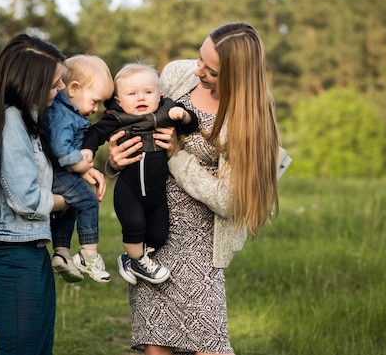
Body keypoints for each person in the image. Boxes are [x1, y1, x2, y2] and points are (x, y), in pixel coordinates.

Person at [106, 23, 291, 354]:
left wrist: (176, 156)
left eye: (212, 70)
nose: (199, 70)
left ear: (237, 77)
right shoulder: (178, 74)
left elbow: (229, 200)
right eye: (200, 58)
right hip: (153, 229)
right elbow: (132, 118)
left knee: (209, 345)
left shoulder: (250, 119)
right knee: (156, 343)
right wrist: (115, 161)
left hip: (202, 243)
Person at [0, 34, 105, 355]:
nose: (62, 89)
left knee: (38, 346)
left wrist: (83, 170)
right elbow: (26, 199)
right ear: (26, 84)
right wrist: (75, 199)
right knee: (21, 348)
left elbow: (50, 164)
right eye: (53, 84)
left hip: (28, 245)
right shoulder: (8, 123)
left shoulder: (26, 118)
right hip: (10, 251)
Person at [81, 62, 198, 285]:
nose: (140, 98)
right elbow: (95, 133)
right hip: (129, 190)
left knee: (159, 235)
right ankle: (137, 259)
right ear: (119, 101)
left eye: (148, 92)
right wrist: (87, 149)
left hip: (157, 193)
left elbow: (192, 124)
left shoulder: (166, 112)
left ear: (160, 94)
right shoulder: (117, 117)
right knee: (134, 225)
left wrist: (183, 116)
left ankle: (131, 258)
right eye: (132, 94)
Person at [44, 54, 114, 284]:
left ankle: (62, 252)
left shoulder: (67, 111)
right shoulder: (62, 114)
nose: (95, 108)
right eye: (95, 101)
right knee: (87, 201)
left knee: (71, 207)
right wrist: (80, 163)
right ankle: (89, 256)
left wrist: (82, 170)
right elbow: (59, 146)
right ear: (73, 89)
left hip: (60, 173)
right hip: (57, 173)